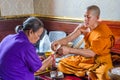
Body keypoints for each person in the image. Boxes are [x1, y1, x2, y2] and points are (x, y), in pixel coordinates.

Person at [51, 5, 115, 80]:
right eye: (84, 16)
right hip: (86, 59)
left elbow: (92, 53)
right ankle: (87, 72)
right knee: (62, 64)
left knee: (105, 75)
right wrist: (57, 42)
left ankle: (89, 72)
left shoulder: (102, 33)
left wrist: (69, 50)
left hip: (101, 60)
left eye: (88, 17)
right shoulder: (84, 27)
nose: (85, 19)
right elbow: (70, 38)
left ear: (97, 18)